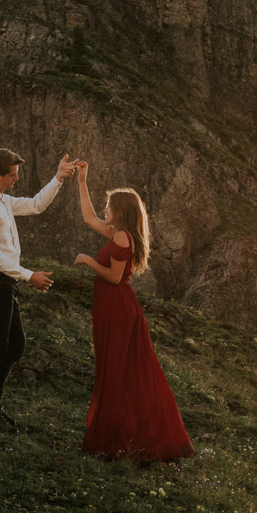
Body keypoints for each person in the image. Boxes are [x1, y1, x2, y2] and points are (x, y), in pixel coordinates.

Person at [68, 160, 195, 463]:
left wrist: (87, 260)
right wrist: (82, 180)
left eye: (109, 207)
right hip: (113, 307)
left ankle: (118, 438)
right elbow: (87, 217)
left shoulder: (122, 237)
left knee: (118, 370)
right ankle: (122, 434)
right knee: (119, 370)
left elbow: (113, 277)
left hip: (118, 307)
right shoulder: (117, 233)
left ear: (121, 212)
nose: (105, 211)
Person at [0, 147, 71, 432]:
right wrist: (30, 276)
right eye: (12, 175)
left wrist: (58, 178)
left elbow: (36, 204)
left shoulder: (1, 200)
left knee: (15, 345)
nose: (16, 179)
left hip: (6, 282)